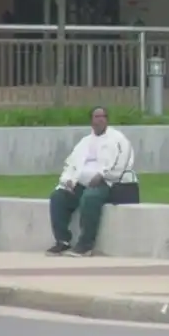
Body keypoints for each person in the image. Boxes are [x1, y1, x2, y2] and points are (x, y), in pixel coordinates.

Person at [46, 106, 135, 257]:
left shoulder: (119, 139)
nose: (100, 120)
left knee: (90, 198)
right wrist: (67, 180)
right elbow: (71, 164)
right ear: (91, 121)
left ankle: (85, 245)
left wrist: (102, 175)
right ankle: (62, 241)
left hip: (109, 183)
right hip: (81, 183)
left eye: (103, 117)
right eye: (96, 117)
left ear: (107, 120)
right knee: (58, 197)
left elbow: (123, 163)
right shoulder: (84, 142)